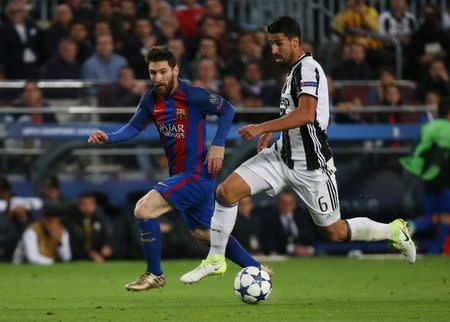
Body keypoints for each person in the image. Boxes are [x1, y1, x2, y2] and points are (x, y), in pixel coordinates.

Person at [181, 16, 416, 283]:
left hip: (312, 166)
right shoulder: (293, 71)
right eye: (271, 44)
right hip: (281, 157)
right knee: (226, 192)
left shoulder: (308, 69)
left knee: (335, 231)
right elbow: (293, 112)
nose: (273, 50)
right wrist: (273, 130)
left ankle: (394, 231)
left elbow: (306, 114)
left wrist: (261, 127)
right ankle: (215, 259)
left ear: (295, 41)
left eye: (278, 43)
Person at [88, 45, 271, 291]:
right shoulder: (151, 98)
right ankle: (257, 270)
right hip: (183, 175)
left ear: (175, 70)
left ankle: (154, 274)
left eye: (163, 72)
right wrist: (108, 138)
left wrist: (218, 145)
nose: (158, 78)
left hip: (196, 175)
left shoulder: (193, 95)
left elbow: (227, 109)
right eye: (153, 72)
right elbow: (133, 127)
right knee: (205, 235)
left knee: (143, 210)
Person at [400, 98, 450, 254]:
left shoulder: (428, 127)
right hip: (446, 178)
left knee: (432, 217)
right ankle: (435, 252)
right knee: (445, 218)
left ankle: (410, 226)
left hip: (428, 178)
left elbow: (418, 151)